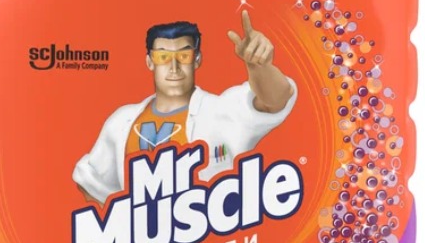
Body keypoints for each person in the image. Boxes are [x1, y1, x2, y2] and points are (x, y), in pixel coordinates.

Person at [73, 11, 297, 204]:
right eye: (163, 56)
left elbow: (275, 100)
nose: (174, 67)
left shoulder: (223, 110)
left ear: (197, 59)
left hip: (210, 237)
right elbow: (91, 183)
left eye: (183, 55)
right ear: (149, 62)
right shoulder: (121, 121)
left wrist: (259, 67)